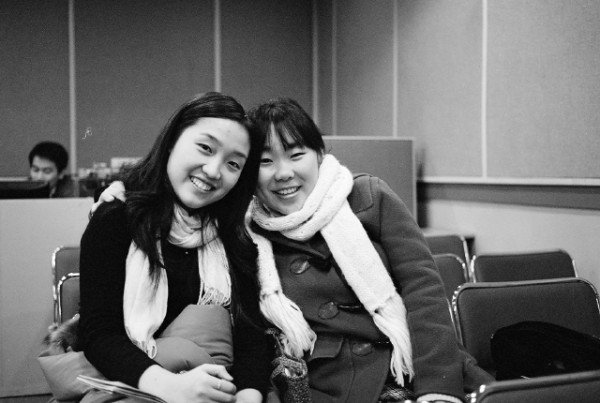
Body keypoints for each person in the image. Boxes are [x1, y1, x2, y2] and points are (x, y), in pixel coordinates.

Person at [94, 98, 494, 403]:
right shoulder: (244, 228)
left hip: (408, 367)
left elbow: (424, 293)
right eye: (265, 161)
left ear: (320, 154)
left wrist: (438, 390)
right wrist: (124, 190)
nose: (283, 173)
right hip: (318, 384)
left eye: (296, 154)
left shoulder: (366, 197)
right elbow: (250, 330)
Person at [78, 92, 271, 403]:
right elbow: (99, 333)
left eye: (233, 163)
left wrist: (248, 397)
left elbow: (251, 340)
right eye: (205, 148)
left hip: (217, 389)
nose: (214, 170)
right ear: (172, 141)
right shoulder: (117, 217)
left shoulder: (234, 236)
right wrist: (171, 387)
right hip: (135, 385)